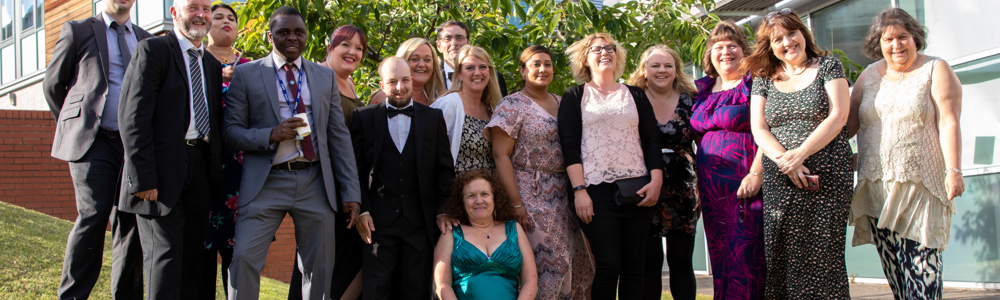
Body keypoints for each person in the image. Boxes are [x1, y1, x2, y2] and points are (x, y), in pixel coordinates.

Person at [222, 6, 362, 300]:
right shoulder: (247, 74)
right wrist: (270, 134)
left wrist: (350, 191)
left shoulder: (324, 77)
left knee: (319, 268)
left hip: (314, 181)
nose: (292, 38)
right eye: (284, 31)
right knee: (244, 258)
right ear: (270, 34)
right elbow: (230, 132)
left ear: (306, 36)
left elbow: (339, 138)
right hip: (265, 181)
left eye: (298, 32)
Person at [847, 8, 964, 299]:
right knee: (898, 279)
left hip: (920, 186)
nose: (896, 45)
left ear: (916, 39)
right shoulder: (868, 75)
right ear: (879, 43)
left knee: (922, 276)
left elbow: (949, 120)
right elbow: (846, 126)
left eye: (903, 37)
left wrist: (954, 170)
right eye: (888, 39)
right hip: (877, 189)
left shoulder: (936, 69)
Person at [43, 0, 150, 298]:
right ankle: (73, 295)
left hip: (133, 146)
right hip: (93, 142)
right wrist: (76, 124)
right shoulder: (77, 30)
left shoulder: (146, 39)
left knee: (130, 221)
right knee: (93, 214)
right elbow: (53, 84)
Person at [116, 0, 223, 299]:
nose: (201, 15)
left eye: (206, 9)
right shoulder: (153, 50)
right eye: (193, 8)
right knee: (164, 260)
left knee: (193, 262)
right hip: (159, 172)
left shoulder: (211, 64)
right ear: (174, 13)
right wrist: (143, 178)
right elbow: (133, 117)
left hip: (199, 167)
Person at [743, 9, 853, 298]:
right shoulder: (764, 76)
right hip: (781, 177)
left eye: (792, 32)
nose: (787, 41)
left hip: (827, 174)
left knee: (823, 254)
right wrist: (786, 162)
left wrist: (801, 153)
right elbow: (759, 128)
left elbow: (839, 116)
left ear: (803, 34)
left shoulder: (829, 66)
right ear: (770, 46)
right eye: (778, 38)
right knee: (783, 253)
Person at [558, 32, 664, 300]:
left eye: (610, 48)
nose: (605, 52)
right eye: (597, 49)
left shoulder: (636, 95)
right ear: (584, 59)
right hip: (594, 191)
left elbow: (651, 138)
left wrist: (656, 180)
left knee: (634, 267)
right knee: (609, 265)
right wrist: (579, 190)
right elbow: (569, 146)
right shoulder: (574, 96)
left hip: (637, 189)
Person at [485, 45, 594, 299]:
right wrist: (515, 204)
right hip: (530, 192)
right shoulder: (512, 104)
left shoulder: (563, 101)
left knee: (577, 263)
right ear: (522, 71)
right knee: (553, 263)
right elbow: (500, 156)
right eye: (535, 64)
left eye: (548, 64)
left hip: (565, 193)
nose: (543, 69)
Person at [351, 56, 455, 300]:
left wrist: (442, 211)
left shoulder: (433, 118)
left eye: (405, 80)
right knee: (376, 290)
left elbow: (444, 170)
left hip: (420, 223)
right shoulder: (363, 118)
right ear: (381, 84)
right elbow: (354, 170)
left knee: (415, 291)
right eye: (393, 81)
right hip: (376, 224)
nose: (400, 87)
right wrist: (362, 210)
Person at [288, 24, 370, 300]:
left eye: (359, 48)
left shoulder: (350, 83)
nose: (353, 52)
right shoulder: (315, 76)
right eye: (346, 45)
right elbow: (299, 122)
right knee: (315, 262)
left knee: (349, 259)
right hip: (321, 184)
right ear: (330, 48)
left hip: (347, 184)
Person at [689, 21, 767, 300]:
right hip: (712, 191)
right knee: (722, 258)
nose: (725, 51)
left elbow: (768, 131)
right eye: (718, 46)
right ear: (709, 54)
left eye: (732, 45)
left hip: (746, 181)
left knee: (748, 256)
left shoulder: (754, 82)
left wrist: (756, 174)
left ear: (743, 50)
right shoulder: (702, 88)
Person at [627, 45, 700, 300]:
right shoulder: (631, 100)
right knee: (650, 260)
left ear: (676, 69)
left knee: (681, 259)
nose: (662, 70)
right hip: (644, 186)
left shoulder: (691, 98)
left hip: (684, 189)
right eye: (655, 65)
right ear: (644, 70)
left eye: (668, 65)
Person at [201, 3, 252, 298]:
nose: (224, 22)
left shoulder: (252, 67)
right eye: (217, 16)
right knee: (201, 254)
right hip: (203, 168)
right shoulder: (194, 62)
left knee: (239, 257)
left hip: (243, 172)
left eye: (231, 18)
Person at [432, 169, 539, 300]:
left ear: (495, 197)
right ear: (462, 202)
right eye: (471, 196)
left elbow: (530, 281)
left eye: (484, 194)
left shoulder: (514, 229)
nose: (479, 200)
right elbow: (442, 284)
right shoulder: (451, 232)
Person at [431, 45, 503, 173]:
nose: (477, 72)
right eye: (470, 68)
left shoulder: (491, 109)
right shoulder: (448, 104)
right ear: (459, 74)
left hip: (489, 190)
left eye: (483, 67)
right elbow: (429, 152)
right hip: (459, 190)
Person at [435, 20, 508, 95]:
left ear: (468, 43)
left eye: (459, 38)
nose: (454, 43)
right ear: (438, 46)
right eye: (447, 38)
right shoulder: (430, 78)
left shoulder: (495, 78)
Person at [370, 37, 448, 106]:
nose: (421, 64)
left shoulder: (433, 102)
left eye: (427, 60)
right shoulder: (386, 97)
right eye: (414, 59)